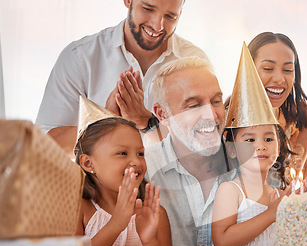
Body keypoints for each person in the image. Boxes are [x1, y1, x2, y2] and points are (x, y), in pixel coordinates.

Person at [36, 0, 207, 156]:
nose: (157, 25)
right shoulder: (80, 57)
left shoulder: (195, 63)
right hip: (100, 190)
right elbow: (44, 144)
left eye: (170, 16)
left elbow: (204, 148)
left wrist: (146, 122)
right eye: (148, 9)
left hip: (170, 190)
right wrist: (105, 121)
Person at [146, 56, 236, 246]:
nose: (211, 115)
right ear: (163, 114)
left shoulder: (251, 167)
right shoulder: (145, 171)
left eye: (216, 101)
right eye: (193, 105)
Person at [75, 117, 175, 246]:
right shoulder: (79, 210)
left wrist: (150, 241)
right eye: (122, 153)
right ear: (88, 163)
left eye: (140, 154)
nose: (136, 161)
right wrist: (116, 224)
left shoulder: (155, 214)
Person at [248, 32, 307, 190]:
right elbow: (281, 188)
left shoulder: (288, 119)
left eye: (287, 70)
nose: (279, 79)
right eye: (268, 68)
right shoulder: (238, 124)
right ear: (248, 70)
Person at [206, 123, 292, 246]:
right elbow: (222, 242)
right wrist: (270, 215)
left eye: (269, 139)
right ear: (232, 149)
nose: (261, 146)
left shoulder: (279, 195)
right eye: (250, 140)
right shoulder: (230, 190)